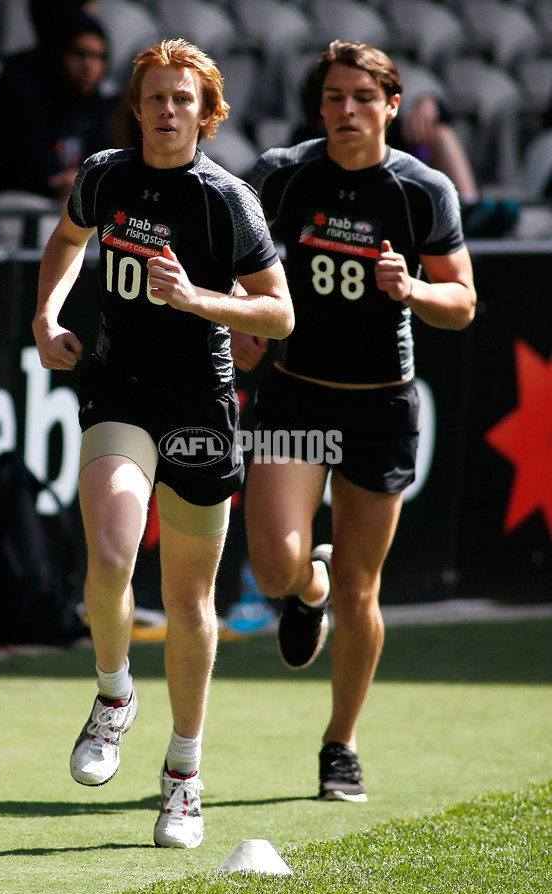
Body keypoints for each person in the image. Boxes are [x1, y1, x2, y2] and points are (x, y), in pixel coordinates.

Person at [32, 39, 293, 849]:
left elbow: (278, 314)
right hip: (119, 388)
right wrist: (47, 316)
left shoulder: (228, 201)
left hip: (202, 405)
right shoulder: (106, 174)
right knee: (110, 553)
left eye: (184, 99)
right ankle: (115, 696)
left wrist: (199, 299)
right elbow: (67, 241)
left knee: (187, 603)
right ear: (138, 106)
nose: (169, 110)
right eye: (156, 97)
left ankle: (184, 777)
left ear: (206, 113)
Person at [232, 40, 475, 801]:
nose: (346, 112)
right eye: (334, 98)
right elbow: (228, 251)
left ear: (391, 107)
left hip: (381, 404)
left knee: (363, 594)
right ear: (320, 107)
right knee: (273, 566)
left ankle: (340, 744)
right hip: (300, 393)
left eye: (362, 98)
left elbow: (463, 303)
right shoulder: (282, 172)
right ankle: (307, 590)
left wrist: (412, 291)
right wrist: (242, 320)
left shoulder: (422, 190)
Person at [291, 59, 519, 238]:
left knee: (439, 133)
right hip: (351, 229)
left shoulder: (377, 130)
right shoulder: (303, 147)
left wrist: (429, 103)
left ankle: (466, 213)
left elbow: (436, 120)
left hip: (402, 219)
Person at [0, 6, 112, 206]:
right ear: (58, 53)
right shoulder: (20, 89)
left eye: (99, 57)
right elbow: (38, 170)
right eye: (79, 54)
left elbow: (103, 160)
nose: (89, 66)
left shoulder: (91, 100)